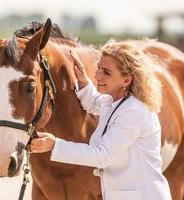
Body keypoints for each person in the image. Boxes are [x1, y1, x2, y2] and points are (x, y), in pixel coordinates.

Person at [31, 39, 172, 200]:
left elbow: (102, 156)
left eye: (106, 72)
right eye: (98, 68)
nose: (97, 75)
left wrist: (55, 145)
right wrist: (83, 80)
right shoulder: (115, 102)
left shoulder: (134, 112)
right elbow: (93, 102)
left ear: (126, 80)